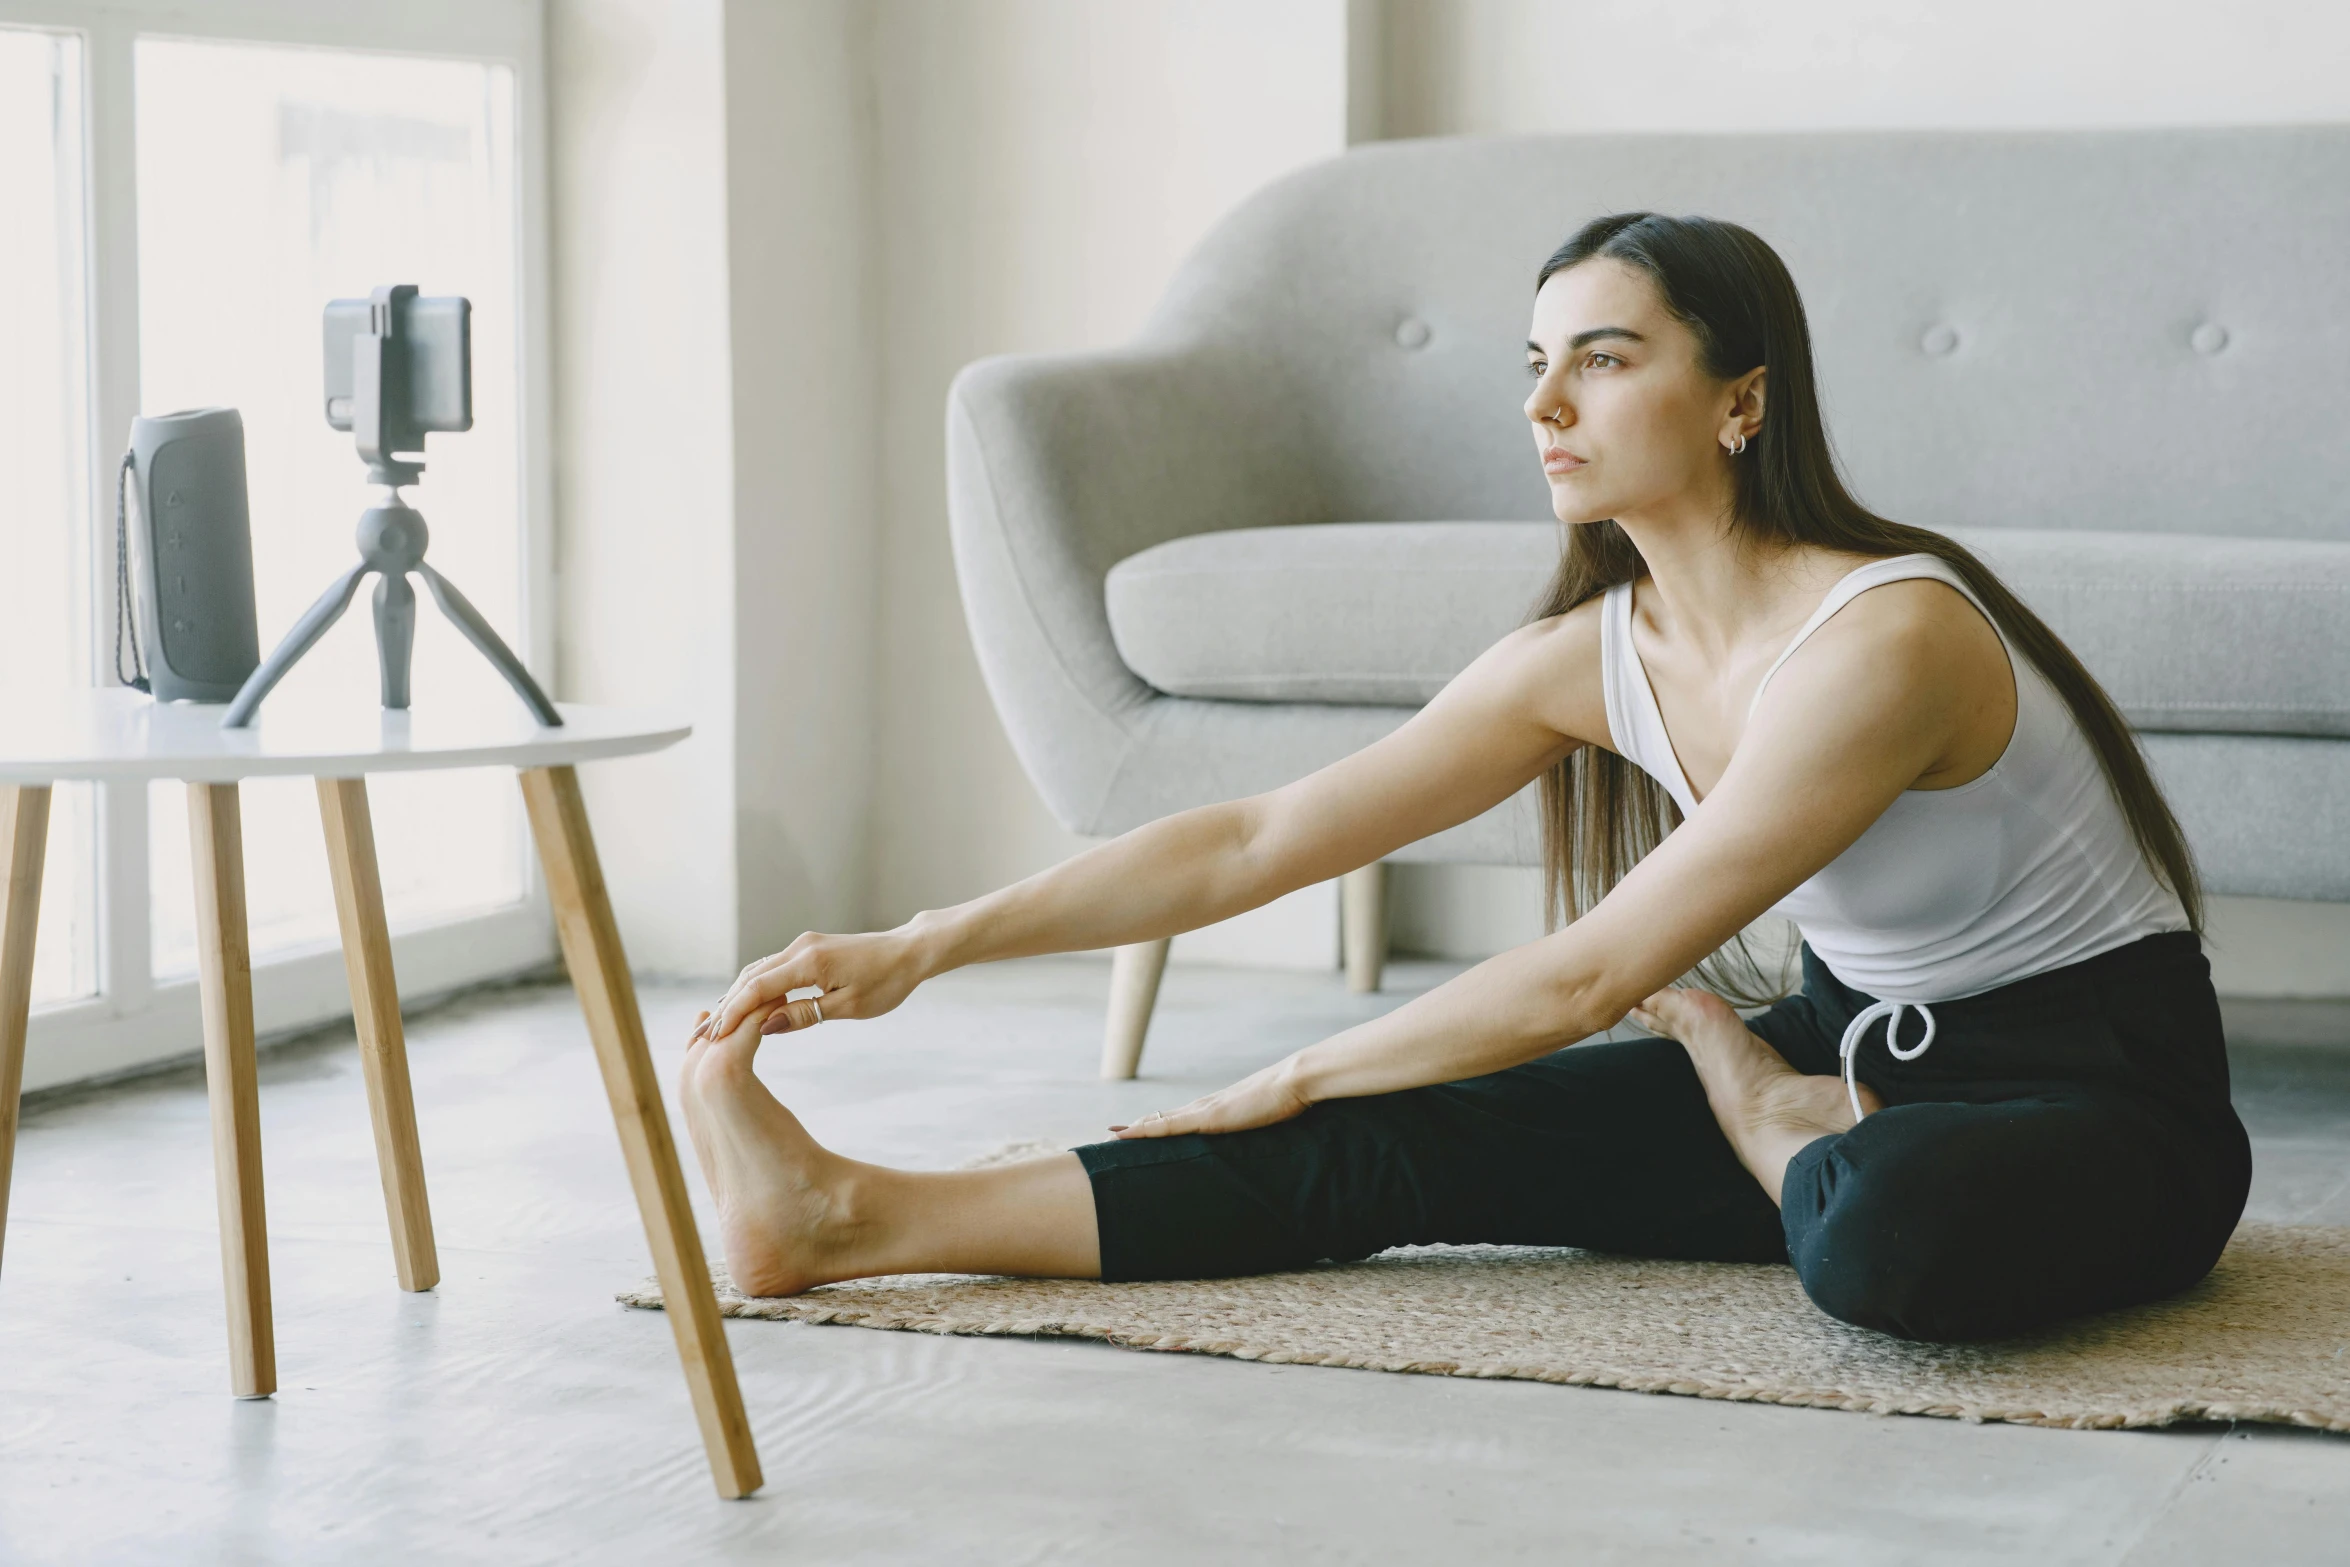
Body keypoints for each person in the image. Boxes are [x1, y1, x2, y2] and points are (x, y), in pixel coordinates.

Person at [679, 212, 2250, 1343]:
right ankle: (846, 1218)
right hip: (1857, 1038)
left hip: (2096, 1092)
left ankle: (1777, 1121)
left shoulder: (1883, 636)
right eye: (1533, 362)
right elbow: (1253, 836)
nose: (1541, 404)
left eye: (1603, 359)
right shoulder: (1593, 649)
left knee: (1895, 1238)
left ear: (1739, 399)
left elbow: (1589, 971)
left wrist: (1299, 1058)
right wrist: (920, 942)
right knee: (1400, 1134)